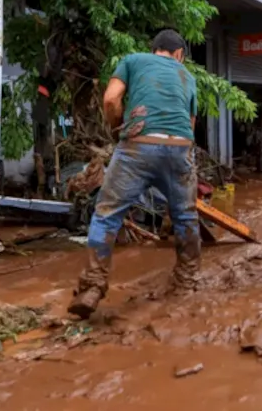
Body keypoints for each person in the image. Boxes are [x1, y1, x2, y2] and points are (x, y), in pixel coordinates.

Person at [67, 29, 201, 319]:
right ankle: (187, 284)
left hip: (138, 145)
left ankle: (92, 287)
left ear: (155, 49)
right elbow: (190, 125)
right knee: (186, 216)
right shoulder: (187, 77)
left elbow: (111, 100)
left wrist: (117, 128)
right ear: (179, 54)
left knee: (107, 215)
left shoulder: (132, 60)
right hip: (180, 148)